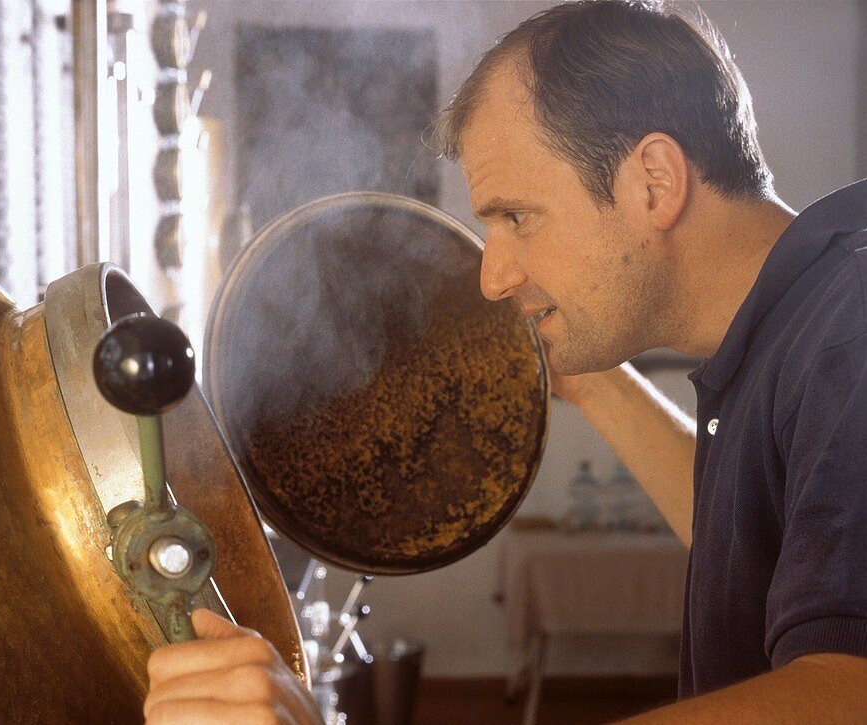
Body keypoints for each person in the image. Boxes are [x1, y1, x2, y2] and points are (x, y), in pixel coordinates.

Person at [142, 1, 867, 722]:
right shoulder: (790, 330)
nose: (493, 278)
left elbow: (846, 693)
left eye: (517, 216)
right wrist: (590, 380)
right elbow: (745, 546)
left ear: (654, 180)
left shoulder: (850, 330)